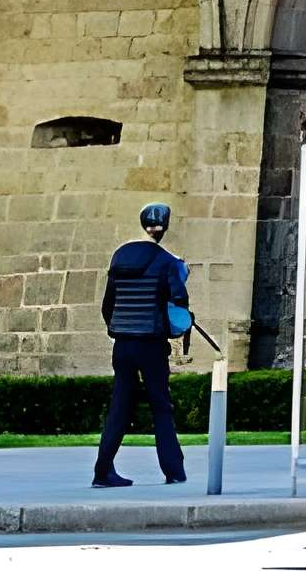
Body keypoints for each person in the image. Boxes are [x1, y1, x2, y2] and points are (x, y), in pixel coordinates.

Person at [95, 201, 191, 488]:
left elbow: (107, 306)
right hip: (151, 343)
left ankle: (102, 470)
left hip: (122, 344)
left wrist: (120, 329)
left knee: (119, 407)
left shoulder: (120, 256)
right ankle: (173, 470)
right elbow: (179, 308)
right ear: (167, 225)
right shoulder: (168, 262)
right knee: (161, 405)